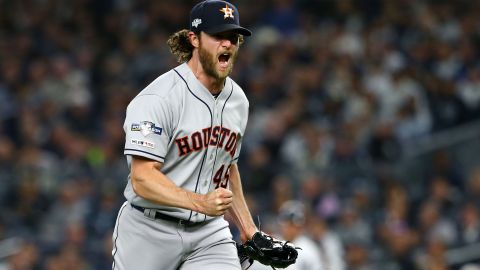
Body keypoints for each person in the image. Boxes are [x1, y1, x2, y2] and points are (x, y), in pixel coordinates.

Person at [111, 1, 258, 269]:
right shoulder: (158, 98)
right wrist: (200, 202)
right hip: (149, 230)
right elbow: (142, 178)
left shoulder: (238, 100)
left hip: (209, 233)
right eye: (217, 36)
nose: (227, 44)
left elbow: (226, 168)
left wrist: (249, 230)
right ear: (194, 39)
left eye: (232, 38)